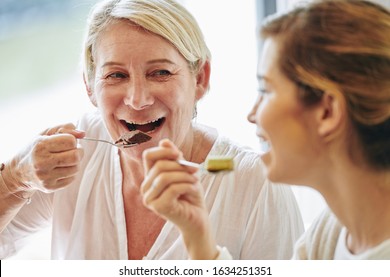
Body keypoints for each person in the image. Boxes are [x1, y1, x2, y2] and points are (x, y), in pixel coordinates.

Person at [0, 0, 304, 260]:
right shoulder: (73, 157)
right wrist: (15, 178)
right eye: (116, 75)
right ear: (89, 87)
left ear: (200, 79)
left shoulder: (257, 187)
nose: (138, 99)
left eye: (160, 72)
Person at [141, 0, 390, 260]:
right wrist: (198, 239)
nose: (251, 115)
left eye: (266, 91)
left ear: (327, 112)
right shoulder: (332, 232)